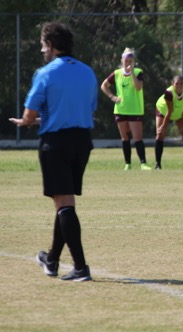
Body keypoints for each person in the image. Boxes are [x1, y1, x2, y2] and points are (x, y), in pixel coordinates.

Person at [9, 21, 96, 281]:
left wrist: (26, 121)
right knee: (64, 201)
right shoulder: (88, 72)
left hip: (56, 143)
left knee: (65, 204)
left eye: (42, 46)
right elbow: (87, 109)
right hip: (82, 141)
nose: (41, 51)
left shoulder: (46, 73)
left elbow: (30, 113)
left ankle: (80, 267)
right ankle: (52, 259)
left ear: (51, 45)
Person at [101, 47, 151, 170]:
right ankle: (127, 164)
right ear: (121, 60)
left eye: (130, 60)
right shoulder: (117, 73)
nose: (128, 62)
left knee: (137, 137)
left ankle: (143, 163)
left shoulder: (138, 72)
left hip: (135, 109)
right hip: (121, 109)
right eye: (126, 60)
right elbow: (104, 85)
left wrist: (132, 72)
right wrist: (112, 97)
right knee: (125, 138)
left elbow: (138, 87)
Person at [155, 76, 183, 169]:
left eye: (181, 83)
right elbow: (169, 111)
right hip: (163, 111)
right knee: (160, 134)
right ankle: (158, 164)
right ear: (172, 84)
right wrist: (164, 126)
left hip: (178, 112)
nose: (179, 86)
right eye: (177, 83)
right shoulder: (169, 93)